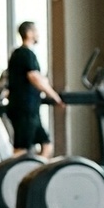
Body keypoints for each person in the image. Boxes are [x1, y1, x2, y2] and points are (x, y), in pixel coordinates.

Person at [6, 21, 64, 157]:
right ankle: (16, 176)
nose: (38, 34)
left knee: (47, 145)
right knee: (21, 149)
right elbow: (34, 77)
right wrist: (54, 96)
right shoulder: (25, 54)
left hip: (30, 109)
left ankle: (35, 175)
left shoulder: (20, 54)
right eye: (35, 31)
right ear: (29, 33)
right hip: (24, 108)